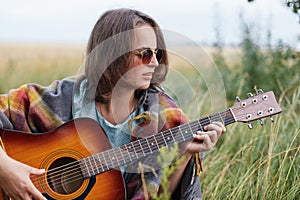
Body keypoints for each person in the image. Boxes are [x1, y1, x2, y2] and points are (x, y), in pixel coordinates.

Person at [0, 8, 225, 200]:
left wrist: (184, 154)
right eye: (145, 54)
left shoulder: (165, 117)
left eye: (157, 53)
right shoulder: (64, 98)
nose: (155, 63)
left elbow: (159, 195)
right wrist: (6, 170)